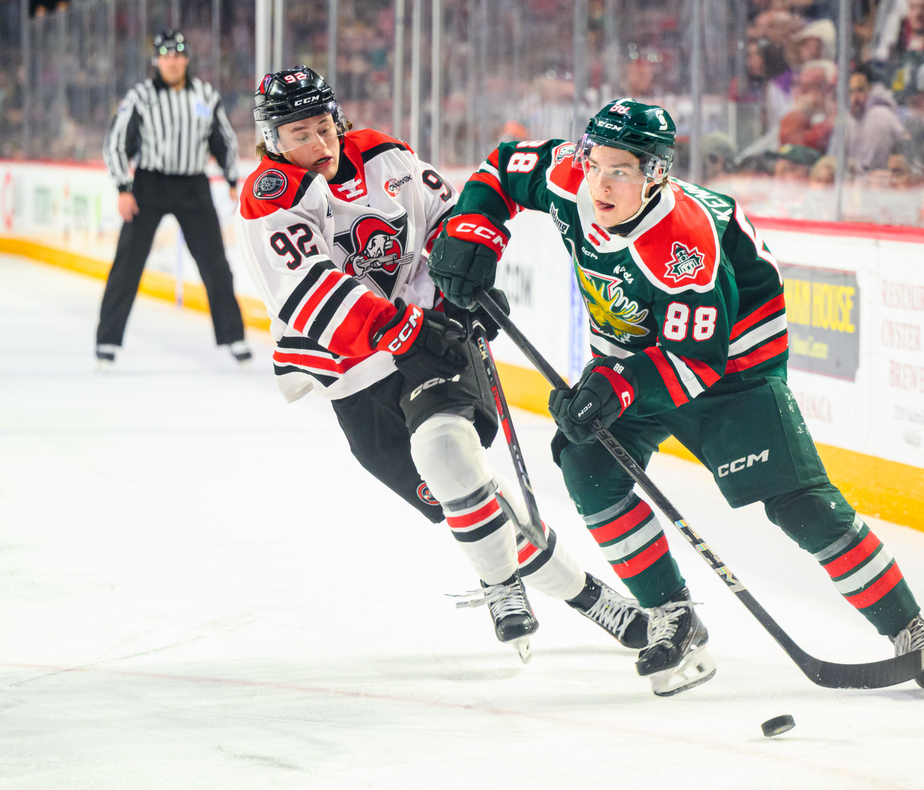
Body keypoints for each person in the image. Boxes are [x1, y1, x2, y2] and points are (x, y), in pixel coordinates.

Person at [428, 98, 924, 699]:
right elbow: (502, 168)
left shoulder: (683, 243)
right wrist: (474, 229)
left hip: (735, 370)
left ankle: (912, 631)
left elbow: (694, 361)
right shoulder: (570, 176)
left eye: (620, 172)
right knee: (587, 464)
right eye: (594, 162)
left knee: (800, 507)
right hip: (637, 356)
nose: (598, 183)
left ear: (655, 174)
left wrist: (616, 384)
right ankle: (674, 617)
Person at [234, 66, 650, 663]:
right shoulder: (270, 197)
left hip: (433, 340)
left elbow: (445, 225)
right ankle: (585, 596)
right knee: (468, 494)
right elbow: (308, 294)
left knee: (448, 453)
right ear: (272, 139)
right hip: (352, 369)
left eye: (325, 127)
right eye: (301, 134)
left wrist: (464, 282)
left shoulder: (387, 157)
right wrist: (400, 331)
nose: (321, 146)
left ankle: (519, 588)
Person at [97, 30, 249, 371]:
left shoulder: (205, 95)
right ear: (157, 60)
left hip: (193, 186)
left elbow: (223, 138)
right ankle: (107, 341)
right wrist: (123, 186)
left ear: (186, 59)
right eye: (166, 55)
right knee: (127, 265)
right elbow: (117, 142)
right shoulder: (141, 96)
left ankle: (234, 337)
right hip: (149, 185)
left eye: (178, 55)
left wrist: (231, 179)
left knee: (215, 265)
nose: (173, 61)